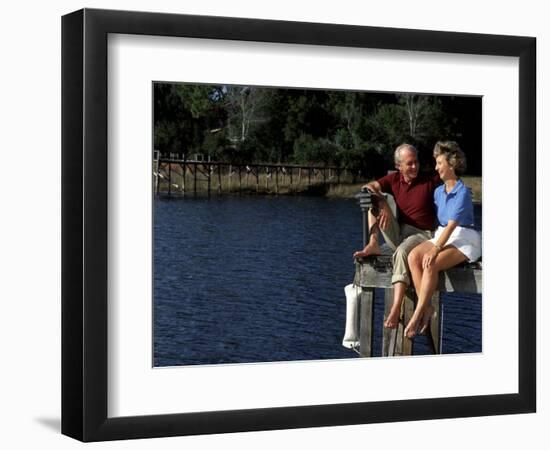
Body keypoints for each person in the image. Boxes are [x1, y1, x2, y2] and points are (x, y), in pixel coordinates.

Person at [343, 144, 440, 348]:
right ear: (398, 166)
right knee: (373, 197)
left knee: (402, 252)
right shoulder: (393, 180)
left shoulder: (429, 181)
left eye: (416, 161)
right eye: (409, 163)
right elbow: (368, 187)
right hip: (400, 232)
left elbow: (451, 179)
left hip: (423, 235)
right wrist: (382, 202)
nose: (415, 166)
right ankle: (373, 243)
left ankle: (396, 306)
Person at [404, 141, 481, 339]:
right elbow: (440, 224)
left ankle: (417, 314)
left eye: (439, 163)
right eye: (436, 163)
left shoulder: (462, 192)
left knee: (431, 264)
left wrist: (435, 249)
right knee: (413, 257)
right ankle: (428, 308)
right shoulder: (438, 192)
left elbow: (453, 225)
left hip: (464, 237)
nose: (436, 167)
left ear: (451, 164)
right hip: (442, 234)